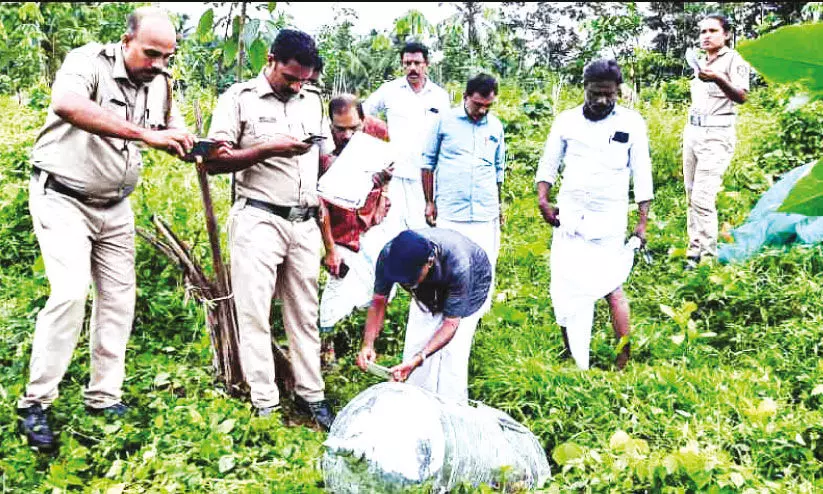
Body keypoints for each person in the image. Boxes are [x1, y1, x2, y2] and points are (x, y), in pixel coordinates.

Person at [17, 7, 195, 451]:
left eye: (166, 57)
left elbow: (171, 125)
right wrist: (143, 135)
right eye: (150, 54)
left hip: (115, 206)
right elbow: (67, 105)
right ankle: (36, 402)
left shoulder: (162, 82)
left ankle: (103, 397)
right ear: (125, 40)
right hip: (63, 195)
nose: (158, 64)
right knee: (70, 293)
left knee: (118, 300)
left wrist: (186, 140)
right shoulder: (87, 62)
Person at [204, 29, 334, 430]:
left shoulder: (312, 101)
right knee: (254, 311)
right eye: (291, 77)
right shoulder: (239, 98)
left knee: (304, 312)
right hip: (258, 217)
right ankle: (265, 402)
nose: (297, 85)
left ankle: (311, 395)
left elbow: (325, 159)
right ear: (271, 60)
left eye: (304, 80)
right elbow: (212, 161)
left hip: (304, 220)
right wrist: (266, 149)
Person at [535, 59, 653, 371]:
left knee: (611, 287)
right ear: (584, 88)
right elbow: (549, 163)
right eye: (596, 93)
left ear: (618, 92)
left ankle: (623, 358)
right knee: (565, 289)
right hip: (570, 218)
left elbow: (642, 174)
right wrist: (543, 200)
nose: (602, 101)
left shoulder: (632, 122)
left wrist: (642, 222)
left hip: (609, 222)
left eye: (609, 95)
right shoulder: (566, 121)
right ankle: (571, 353)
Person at [356, 229, 492, 404]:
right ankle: (415, 405)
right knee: (416, 344)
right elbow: (379, 301)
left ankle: (451, 408)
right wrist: (368, 344)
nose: (405, 283)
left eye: (410, 279)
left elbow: (451, 324)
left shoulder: (459, 264)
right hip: (429, 287)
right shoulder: (389, 255)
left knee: (452, 357)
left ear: (429, 262)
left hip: (473, 281)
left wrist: (421, 357)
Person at [317, 94, 393, 364]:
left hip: (370, 223)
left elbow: (389, 163)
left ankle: (367, 341)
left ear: (363, 120)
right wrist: (329, 250)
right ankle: (327, 347)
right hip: (339, 229)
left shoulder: (378, 131)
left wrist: (383, 191)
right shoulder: (320, 147)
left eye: (354, 128)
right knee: (337, 287)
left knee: (379, 285)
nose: (347, 136)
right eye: (340, 129)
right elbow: (319, 204)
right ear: (330, 124)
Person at [422, 73, 505, 289]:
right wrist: (429, 201)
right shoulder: (444, 121)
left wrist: (499, 205)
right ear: (465, 97)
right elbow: (427, 163)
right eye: (478, 104)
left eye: (488, 106)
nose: (482, 110)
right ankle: (448, 314)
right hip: (451, 211)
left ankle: (473, 318)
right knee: (448, 267)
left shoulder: (495, 126)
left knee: (482, 266)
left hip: (485, 212)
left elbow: (498, 169)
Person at [683, 13, 750, 268]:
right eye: (702, 32)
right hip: (693, 132)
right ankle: (694, 252)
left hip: (717, 134)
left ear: (726, 34)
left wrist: (719, 78)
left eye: (712, 31)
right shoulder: (699, 61)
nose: (706, 36)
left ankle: (708, 258)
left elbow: (741, 97)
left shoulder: (735, 60)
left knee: (703, 197)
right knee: (691, 195)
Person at [363, 42, 451, 235]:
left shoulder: (440, 97)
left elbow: (446, 135)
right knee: (390, 231)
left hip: (427, 177)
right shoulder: (389, 90)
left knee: (422, 232)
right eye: (407, 63)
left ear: (426, 64)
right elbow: (362, 114)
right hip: (395, 175)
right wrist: (375, 145)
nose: (412, 68)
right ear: (402, 64)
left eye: (417, 63)